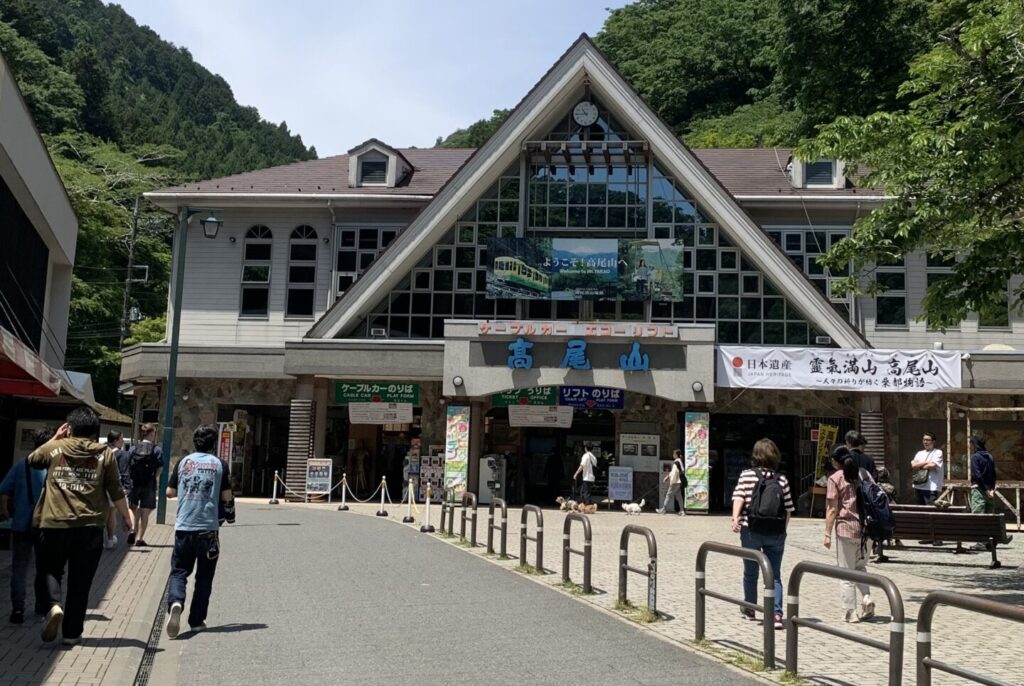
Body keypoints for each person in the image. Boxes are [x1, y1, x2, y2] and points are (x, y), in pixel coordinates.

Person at [28, 407, 134, 645]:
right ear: (95, 431)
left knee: (50, 569)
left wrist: (56, 438)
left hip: (54, 523)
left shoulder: (56, 448)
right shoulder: (105, 454)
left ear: (70, 428)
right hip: (90, 526)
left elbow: (33, 460)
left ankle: (53, 606)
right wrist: (126, 516)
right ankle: (72, 633)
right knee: (81, 580)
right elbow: (115, 489)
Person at [164, 424, 235, 638]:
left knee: (179, 571)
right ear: (213, 444)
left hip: (184, 526)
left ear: (195, 442)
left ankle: (176, 601)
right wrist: (230, 515)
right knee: (204, 577)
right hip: (208, 529)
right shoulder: (219, 464)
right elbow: (226, 496)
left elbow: (169, 492)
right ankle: (196, 620)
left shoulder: (183, 462)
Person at [731, 438, 795, 630]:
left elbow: (739, 497)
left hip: (750, 528)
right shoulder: (781, 479)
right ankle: (776, 614)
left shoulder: (746, 475)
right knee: (775, 575)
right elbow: (789, 508)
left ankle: (750, 608)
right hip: (775, 531)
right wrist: (782, 529)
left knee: (751, 571)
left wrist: (735, 519)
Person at [0, 428, 50, 624]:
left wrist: (5, 510)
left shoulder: (21, 465)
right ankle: (42, 605)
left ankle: (18, 608)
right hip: (45, 525)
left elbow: (3, 489)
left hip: (21, 523)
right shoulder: (52, 467)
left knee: (19, 568)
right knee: (44, 567)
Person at [823, 446, 876, 623]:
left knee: (846, 572)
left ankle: (851, 612)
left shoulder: (835, 478)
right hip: (867, 530)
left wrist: (827, 533)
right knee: (860, 567)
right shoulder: (865, 474)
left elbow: (832, 509)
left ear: (836, 461)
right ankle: (867, 597)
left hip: (846, 529)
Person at [127, 423, 163, 547]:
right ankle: (140, 538)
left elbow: (128, 465)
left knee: (132, 507)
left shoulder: (133, 448)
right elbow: (160, 467)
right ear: (151, 433)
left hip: (135, 482)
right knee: (145, 512)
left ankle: (132, 528)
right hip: (149, 484)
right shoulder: (156, 449)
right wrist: (155, 479)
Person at [103, 431, 127, 549]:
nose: (122, 441)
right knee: (112, 513)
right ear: (116, 440)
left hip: (99, 487)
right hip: (113, 487)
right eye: (121, 438)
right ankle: (110, 538)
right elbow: (123, 473)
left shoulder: (102, 451)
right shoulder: (121, 454)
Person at [911, 432, 944, 505]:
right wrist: (927, 462)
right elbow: (913, 465)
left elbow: (932, 465)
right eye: (924, 440)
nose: (925, 442)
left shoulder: (938, 452)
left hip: (931, 487)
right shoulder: (919, 453)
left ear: (933, 441)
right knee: (919, 511)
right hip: (918, 486)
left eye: (928, 440)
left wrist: (919, 465)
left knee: (930, 511)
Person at [657, 449, 688, 515]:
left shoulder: (676, 462)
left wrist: (671, 482)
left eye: (674, 454)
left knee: (668, 495)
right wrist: (667, 477)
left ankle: (663, 509)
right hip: (679, 481)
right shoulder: (680, 461)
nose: (673, 455)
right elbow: (681, 471)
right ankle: (682, 511)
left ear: (676, 455)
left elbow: (674, 473)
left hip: (675, 482)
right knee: (679, 496)